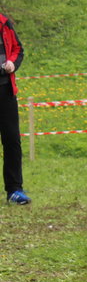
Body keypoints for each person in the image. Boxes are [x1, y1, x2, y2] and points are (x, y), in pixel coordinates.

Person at [0, 11, 30, 205]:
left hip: (5, 91)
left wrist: (12, 62)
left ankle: (15, 190)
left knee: (12, 140)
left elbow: (18, 49)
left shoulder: (4, 23)